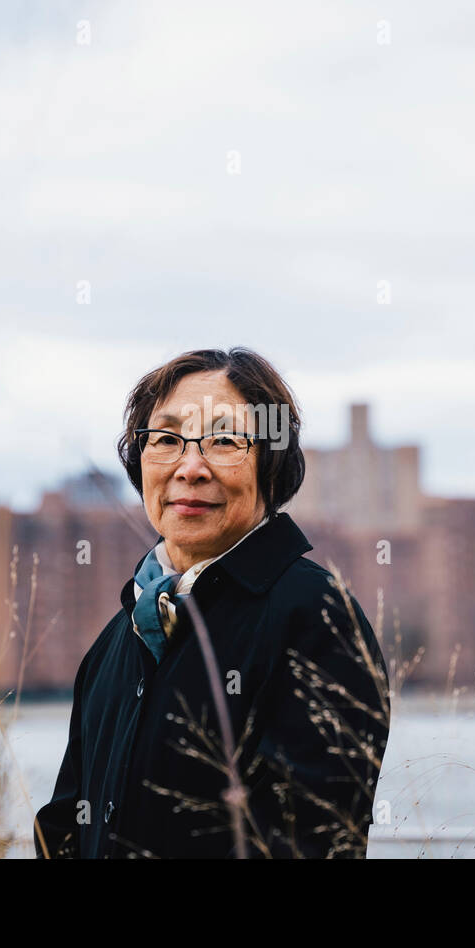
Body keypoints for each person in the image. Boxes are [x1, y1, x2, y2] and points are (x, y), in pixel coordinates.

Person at [33, 347, 390, 858]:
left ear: (272, 462)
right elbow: (65, 825)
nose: (190, 467)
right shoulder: (122, 633)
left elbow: (310, 841)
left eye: (224, 440)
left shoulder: (316, 616)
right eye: (167, 439)